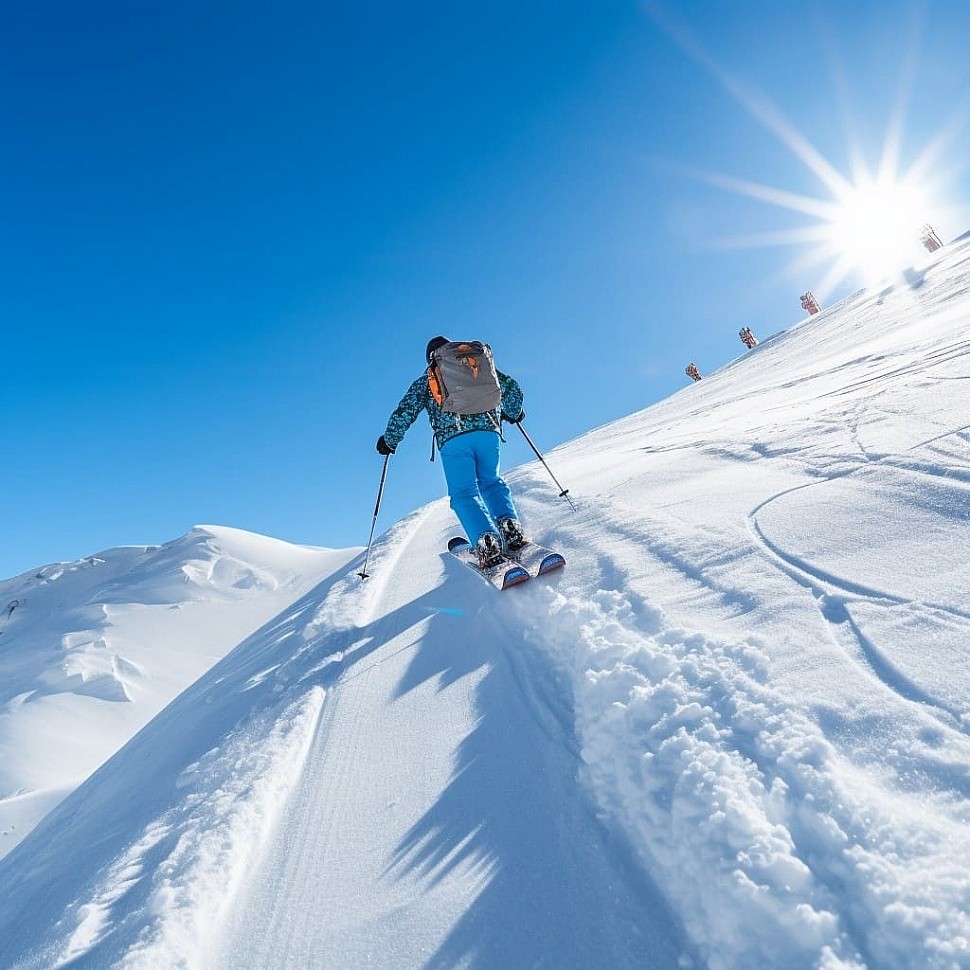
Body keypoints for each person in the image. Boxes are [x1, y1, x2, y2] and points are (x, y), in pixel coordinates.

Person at [377, 336, 526, 568]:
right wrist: (514, 413)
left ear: (431, 358)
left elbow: (405, 411)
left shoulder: (428, 379)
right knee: (491, 482)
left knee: (464, 493)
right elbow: (510, 387)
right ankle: (509, 526)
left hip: (453, 440)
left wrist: (389, 440)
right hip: (489, 434)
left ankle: (486, 541)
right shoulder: (477, 368)